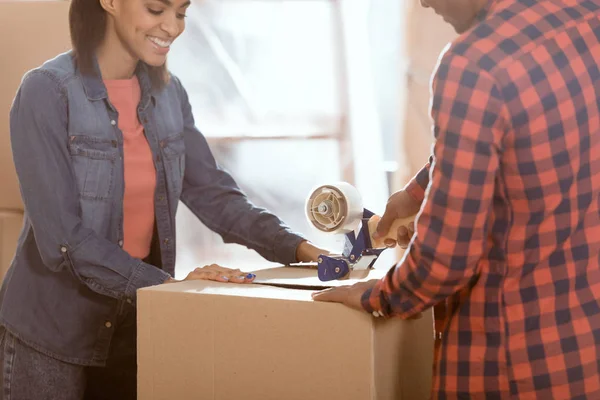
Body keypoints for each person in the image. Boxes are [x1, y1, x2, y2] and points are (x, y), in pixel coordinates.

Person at [0, 0, 326, 398]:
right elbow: (62, 240)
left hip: (134, 325)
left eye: (182, 12)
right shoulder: (46, 91)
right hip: (51, 336)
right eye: (157, 9)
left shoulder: (169, 94)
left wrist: (300, 248)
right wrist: (170, 286)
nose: (172, 27)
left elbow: (215, 195)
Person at [314, 0, 600, 397]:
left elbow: (445, 260)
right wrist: (418, 193)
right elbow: (523, 133)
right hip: (583, 348)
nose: (423, 2)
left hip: (513, 365)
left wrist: (377, 296)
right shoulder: (585, 16)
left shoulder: (475, 65)